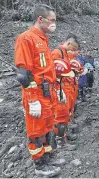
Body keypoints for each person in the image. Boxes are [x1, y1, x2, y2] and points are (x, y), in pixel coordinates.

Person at [14, 4, 60, 177]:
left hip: (48, 92)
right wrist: (32, 99)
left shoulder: (42, 39)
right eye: (52, 20)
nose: (54, 24)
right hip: (37, 94)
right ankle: (39, 165)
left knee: (48, 127)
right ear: (41, 19)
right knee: (36, 130)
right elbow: (24, 75)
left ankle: (48, 157)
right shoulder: (26, 39)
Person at [51, 35, 79, 142]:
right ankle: (60, 140)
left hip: (66, 85)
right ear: (68, 44)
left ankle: (63, 134)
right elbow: (52, 70)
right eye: (72, 49)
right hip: (60, 87)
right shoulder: (57, 53)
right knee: (60, 114)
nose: (73, 51)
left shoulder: (64, 53)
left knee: (65, 112)